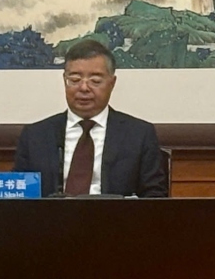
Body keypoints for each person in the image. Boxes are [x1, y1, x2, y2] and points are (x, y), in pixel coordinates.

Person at [13, 39, 168, 197]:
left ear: (112, 83)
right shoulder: (35, 136)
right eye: (75, 80)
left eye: (95, 81)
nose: (84, 88)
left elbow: (155, 197)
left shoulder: (139, 135)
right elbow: (19, 196)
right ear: (64, 81)